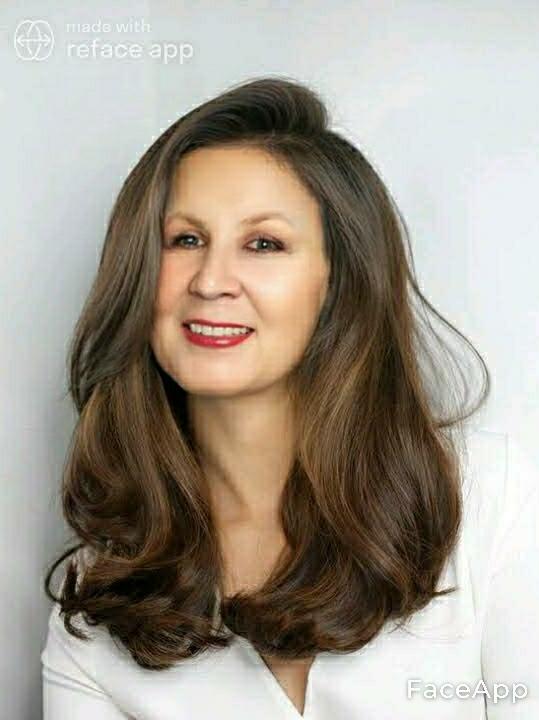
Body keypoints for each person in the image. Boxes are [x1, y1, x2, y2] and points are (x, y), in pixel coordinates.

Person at [40, 76, 539, 719]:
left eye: (263, 244)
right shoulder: (99, 602)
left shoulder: (496, 499)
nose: (211, 281)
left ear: (338, 282)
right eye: (185, 239)